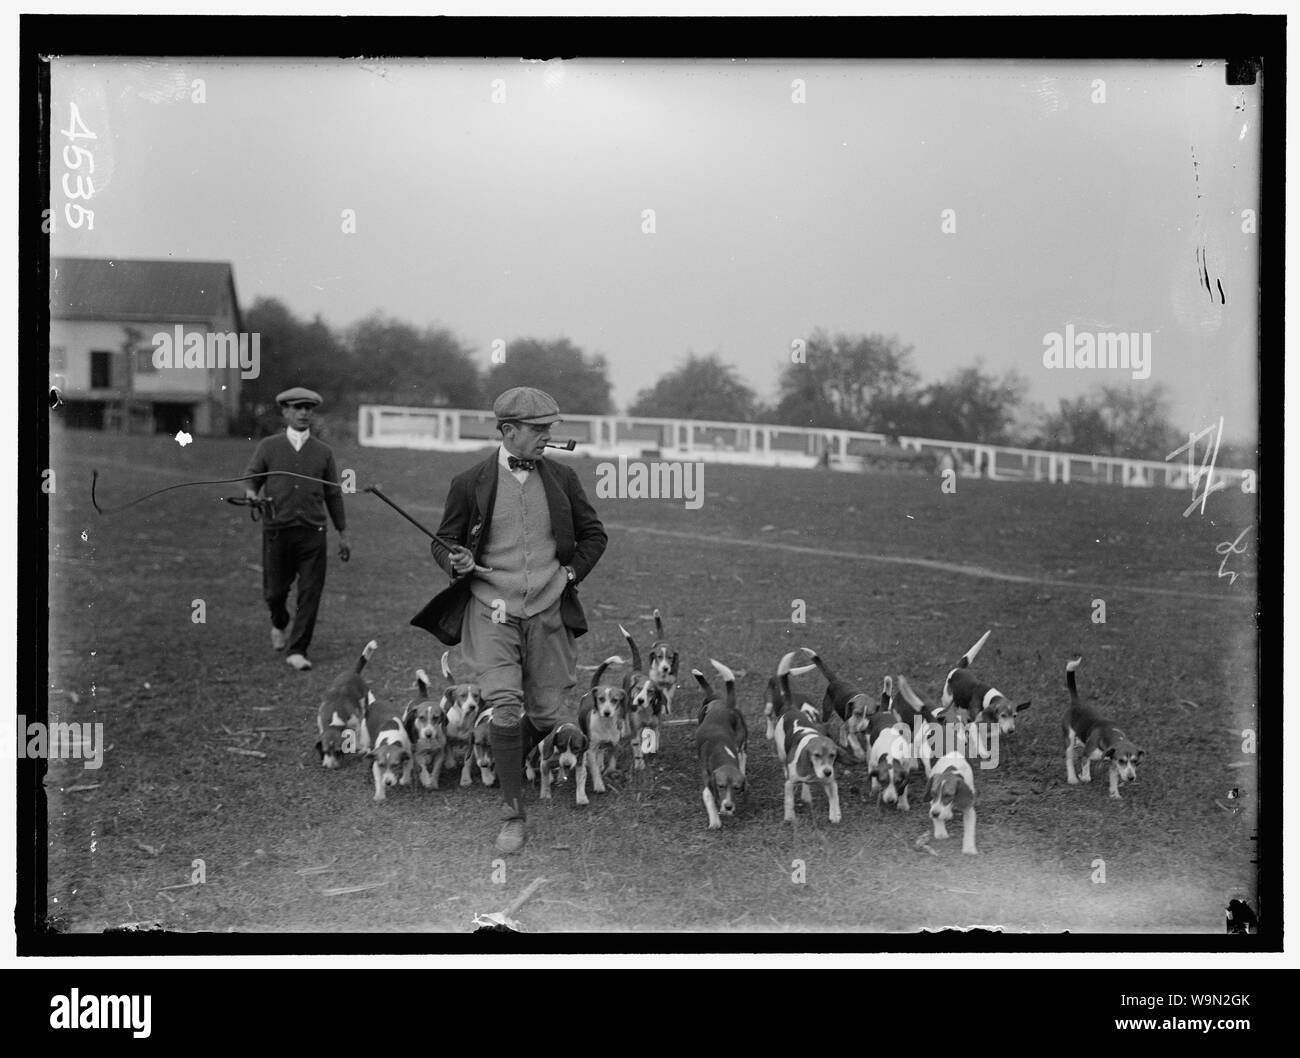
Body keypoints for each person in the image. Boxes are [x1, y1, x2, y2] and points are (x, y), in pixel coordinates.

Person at [411, 387, 608, 854]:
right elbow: (444, 541)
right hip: (490, 609)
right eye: (538, 430)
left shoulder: (562, 479)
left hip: (547, 610)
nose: (546, 438)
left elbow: (594, 536)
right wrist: (454, 561)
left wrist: (569, 573)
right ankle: (512, 815)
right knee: (504, 704)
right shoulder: (469, 481)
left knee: (544, 713)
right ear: (508, 431)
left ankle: (496, 754)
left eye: (549, 430)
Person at [243, 387, 351, 672]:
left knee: (310, 592)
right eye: (297, 407)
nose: (304, 413)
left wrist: (342, 533)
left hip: (312, 532)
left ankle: (298, 649)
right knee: (274, 593)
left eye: (308, 408)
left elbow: (333, 495)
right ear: (286, 412)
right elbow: (252, 478)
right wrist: (252, 494)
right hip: (277, 530)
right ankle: (279, 622)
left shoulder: (323, 452)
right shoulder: (269, 446)